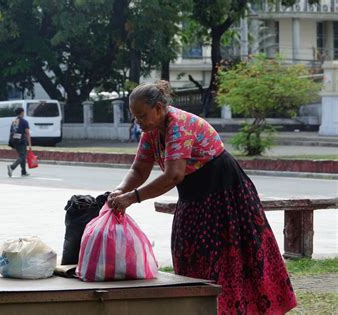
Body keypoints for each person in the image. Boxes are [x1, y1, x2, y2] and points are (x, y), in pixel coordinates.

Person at [108, 81, 296, 314]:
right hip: (193, 195)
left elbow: (173, 175)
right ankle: (199, 308)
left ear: (158, 108)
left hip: (224, 192)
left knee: (229, 257)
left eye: (142, 116)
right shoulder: (152, 130)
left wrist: (132, 198)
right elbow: (139, 169)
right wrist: (119, 190)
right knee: (188, 253)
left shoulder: (179, 125)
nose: (139, 122)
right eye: (135, 117)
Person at [7, 107, 32, 177]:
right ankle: (12, 167)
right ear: (22, 112)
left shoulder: (14, 121)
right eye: (23, 112)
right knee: (23, 156)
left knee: (21, 156)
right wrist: (30, 144)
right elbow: (27, 133)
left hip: (14, 140)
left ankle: (23, 172)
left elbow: (11, 132)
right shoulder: (24, 121)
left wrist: (10, 142)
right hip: (21, 140)